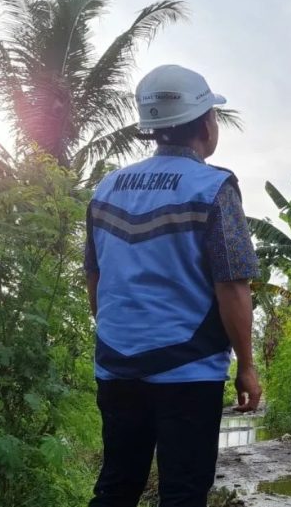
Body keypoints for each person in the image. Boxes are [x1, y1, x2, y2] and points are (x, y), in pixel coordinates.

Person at [85, 64, 261, 507]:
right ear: (205, 123)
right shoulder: (213, 187)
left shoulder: (107, 188)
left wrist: (119, 339)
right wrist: (246, 365)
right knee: (183, 491)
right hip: (188, 368)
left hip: (116, 365)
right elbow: (233, 285)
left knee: (116, 486)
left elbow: (95, 277)